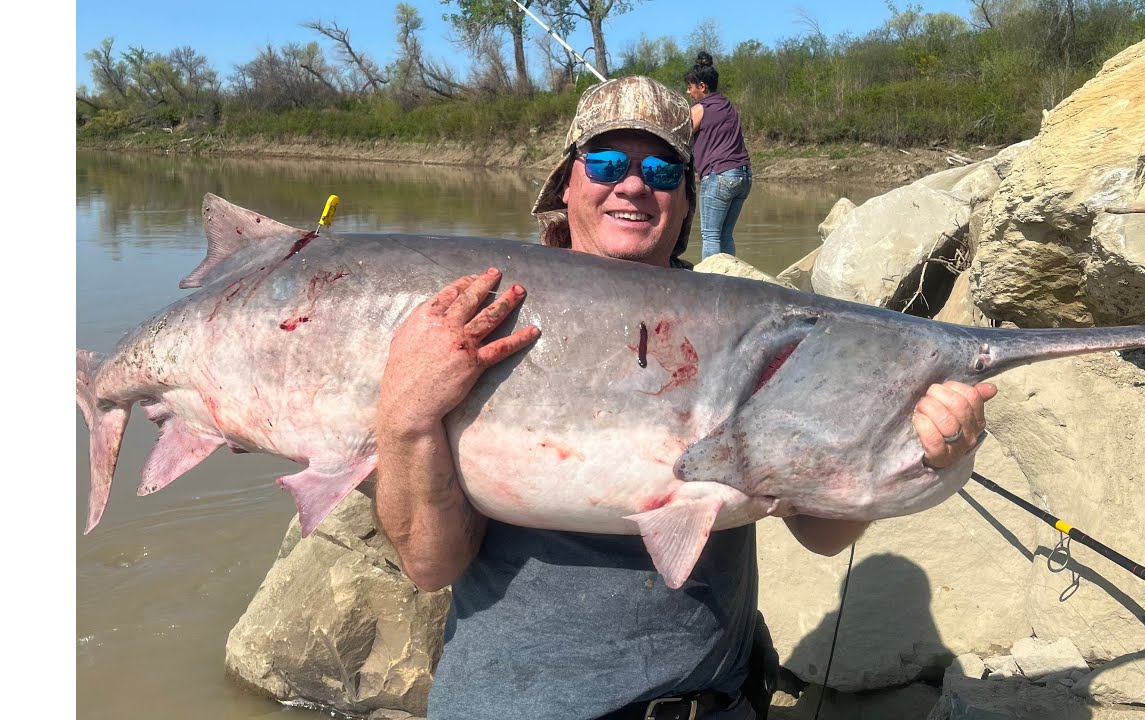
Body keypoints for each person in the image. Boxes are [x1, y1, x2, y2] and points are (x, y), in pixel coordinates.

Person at [374, 75, 997, 720]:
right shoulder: (478, 313)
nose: (634, 185)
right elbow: (430, 563)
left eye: (663, 169)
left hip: (719, 701)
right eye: (607, 162)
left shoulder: (751, 329)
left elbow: (820, 532)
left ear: (687, 196)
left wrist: (918, 455)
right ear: (567, 183)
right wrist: (405, 414)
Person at [685, 52, 753, 261]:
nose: (688, 92)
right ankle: (729, 279)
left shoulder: (700, 109)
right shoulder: (728, 105)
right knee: (725, 235)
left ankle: (710, 284)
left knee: (711, 236)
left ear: (702, 86)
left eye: (690, 87)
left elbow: (681, 136)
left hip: (720, 176)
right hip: (744, 175)